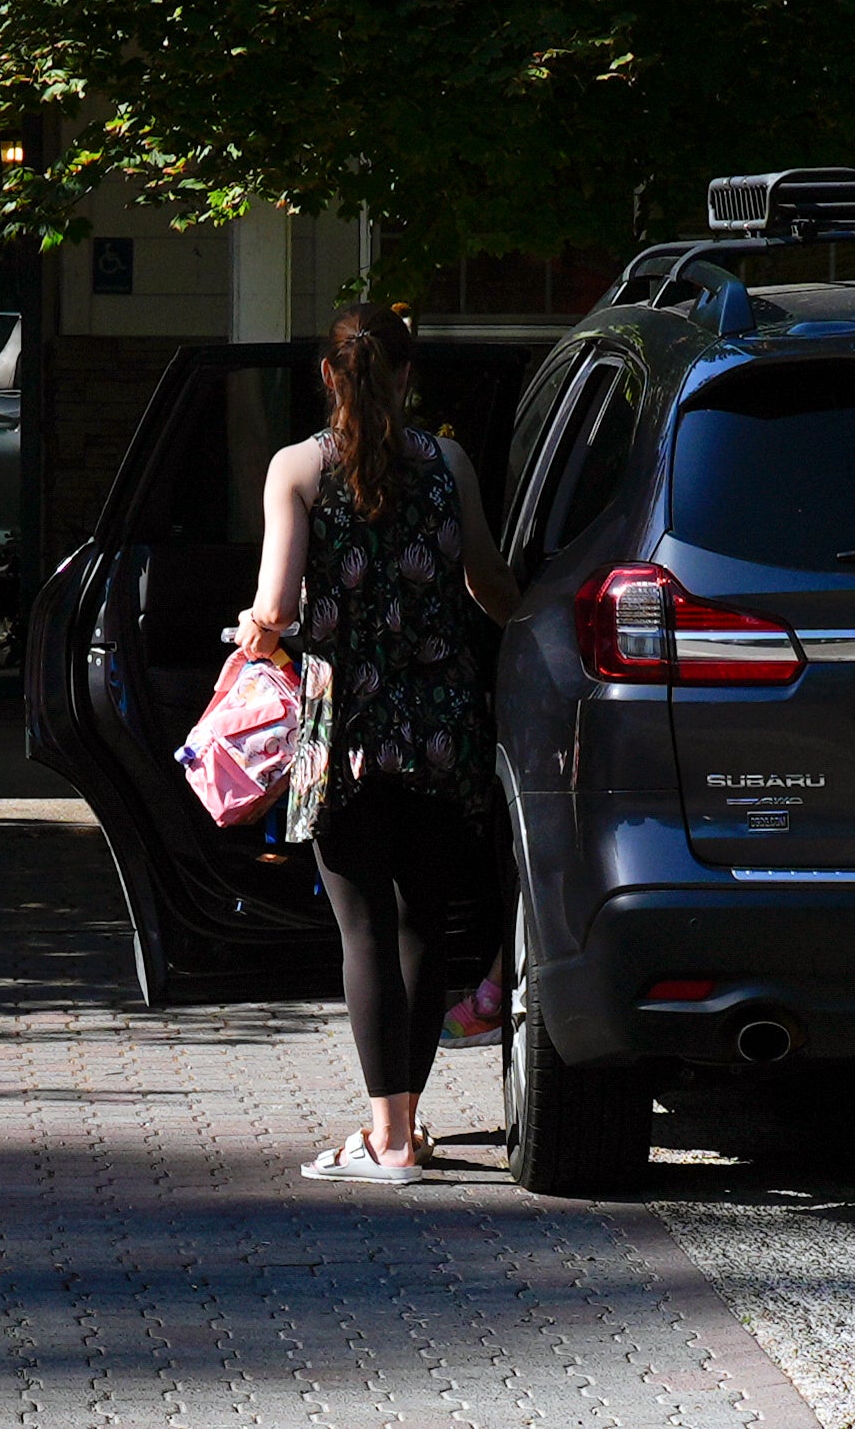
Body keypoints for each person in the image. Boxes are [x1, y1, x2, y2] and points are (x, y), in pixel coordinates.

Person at [235, 304, 517, 1183]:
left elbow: (277, 608)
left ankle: (386, 1140)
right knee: (421, 925)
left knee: (360, 931)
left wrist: (256, 631)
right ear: (407, 375)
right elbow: (487, 583)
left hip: (346, 728)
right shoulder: (450, 463)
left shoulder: (298, 470)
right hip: (439, 725)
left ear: (329, 376)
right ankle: (411, 1127)